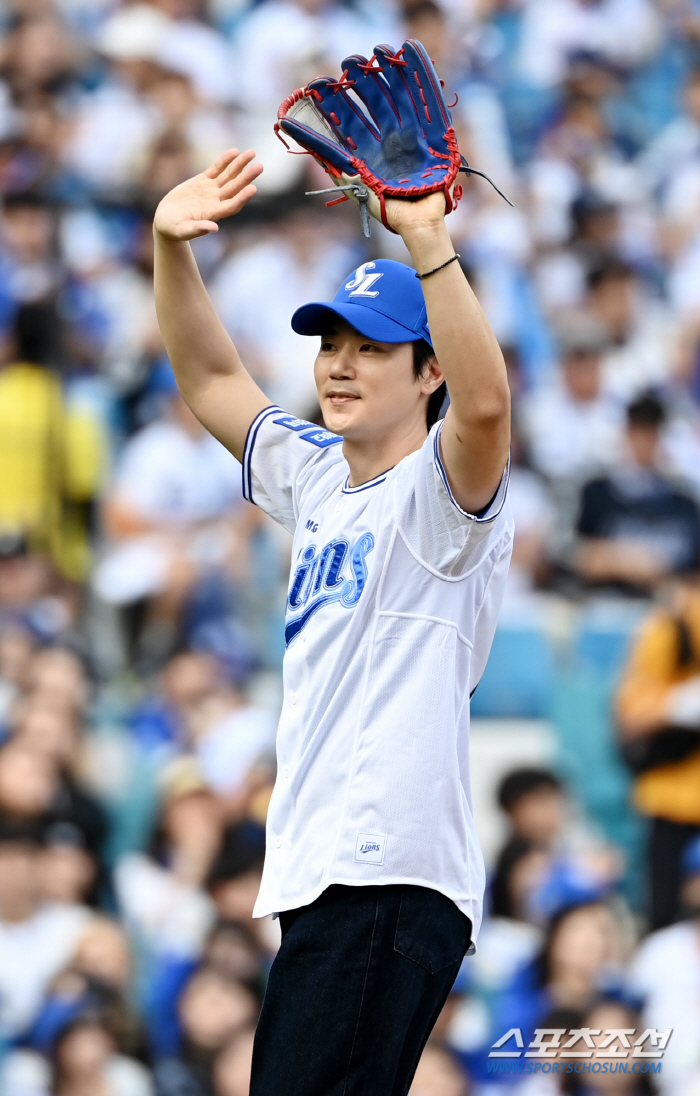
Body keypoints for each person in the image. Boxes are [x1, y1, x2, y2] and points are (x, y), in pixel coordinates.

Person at [152, 145, 512, 1095]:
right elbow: (212, 380)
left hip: (385, 871)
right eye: (330, 344)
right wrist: (168, 245)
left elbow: (485, 411)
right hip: (332, 877)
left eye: (372, 348)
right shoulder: (318, 475)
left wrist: (429, 238)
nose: (339, 366)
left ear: (427, 370)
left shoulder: (438, 496)